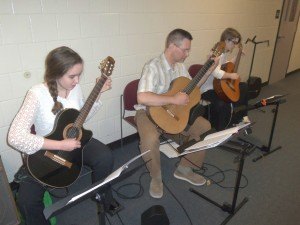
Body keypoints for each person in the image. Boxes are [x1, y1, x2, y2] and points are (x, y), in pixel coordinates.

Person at [8, 46, 118, 225]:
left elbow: (80, 118)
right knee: (26, 202)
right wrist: (60, 145)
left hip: (73, 142)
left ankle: (102, 196)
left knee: (105, 156)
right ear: (56, 73)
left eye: (79, 75)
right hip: (47, 152)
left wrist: (98, 95)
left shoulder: (76, 88)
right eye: (72, 76)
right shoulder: (36, 94)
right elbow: (15, 137)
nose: (77, 81)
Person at [135, 29, 218, 199]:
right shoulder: (153, 66)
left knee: (205, 127)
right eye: (185, 50)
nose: (188, 54)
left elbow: (192, 88)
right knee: (150, 140)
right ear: (172, 46)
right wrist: (173, 99)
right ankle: (156, 177)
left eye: (188, 50)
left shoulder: (180, 67)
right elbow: (142, 97)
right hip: (148, 113)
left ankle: (185, 168)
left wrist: (209, 69)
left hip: (174, 114)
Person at [201, 27, 249, 131]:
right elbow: (216, 72)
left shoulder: (224, 52)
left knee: (243, 87)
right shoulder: (218, 52)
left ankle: (241, 117)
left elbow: (226, 65)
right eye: (234, 42)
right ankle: (221, 130)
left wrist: (237, 56)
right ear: (227, 40)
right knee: (223, 103)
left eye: (237, 43)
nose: (235, 45)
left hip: (219, 86)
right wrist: (231, 76)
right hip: (208, 89)